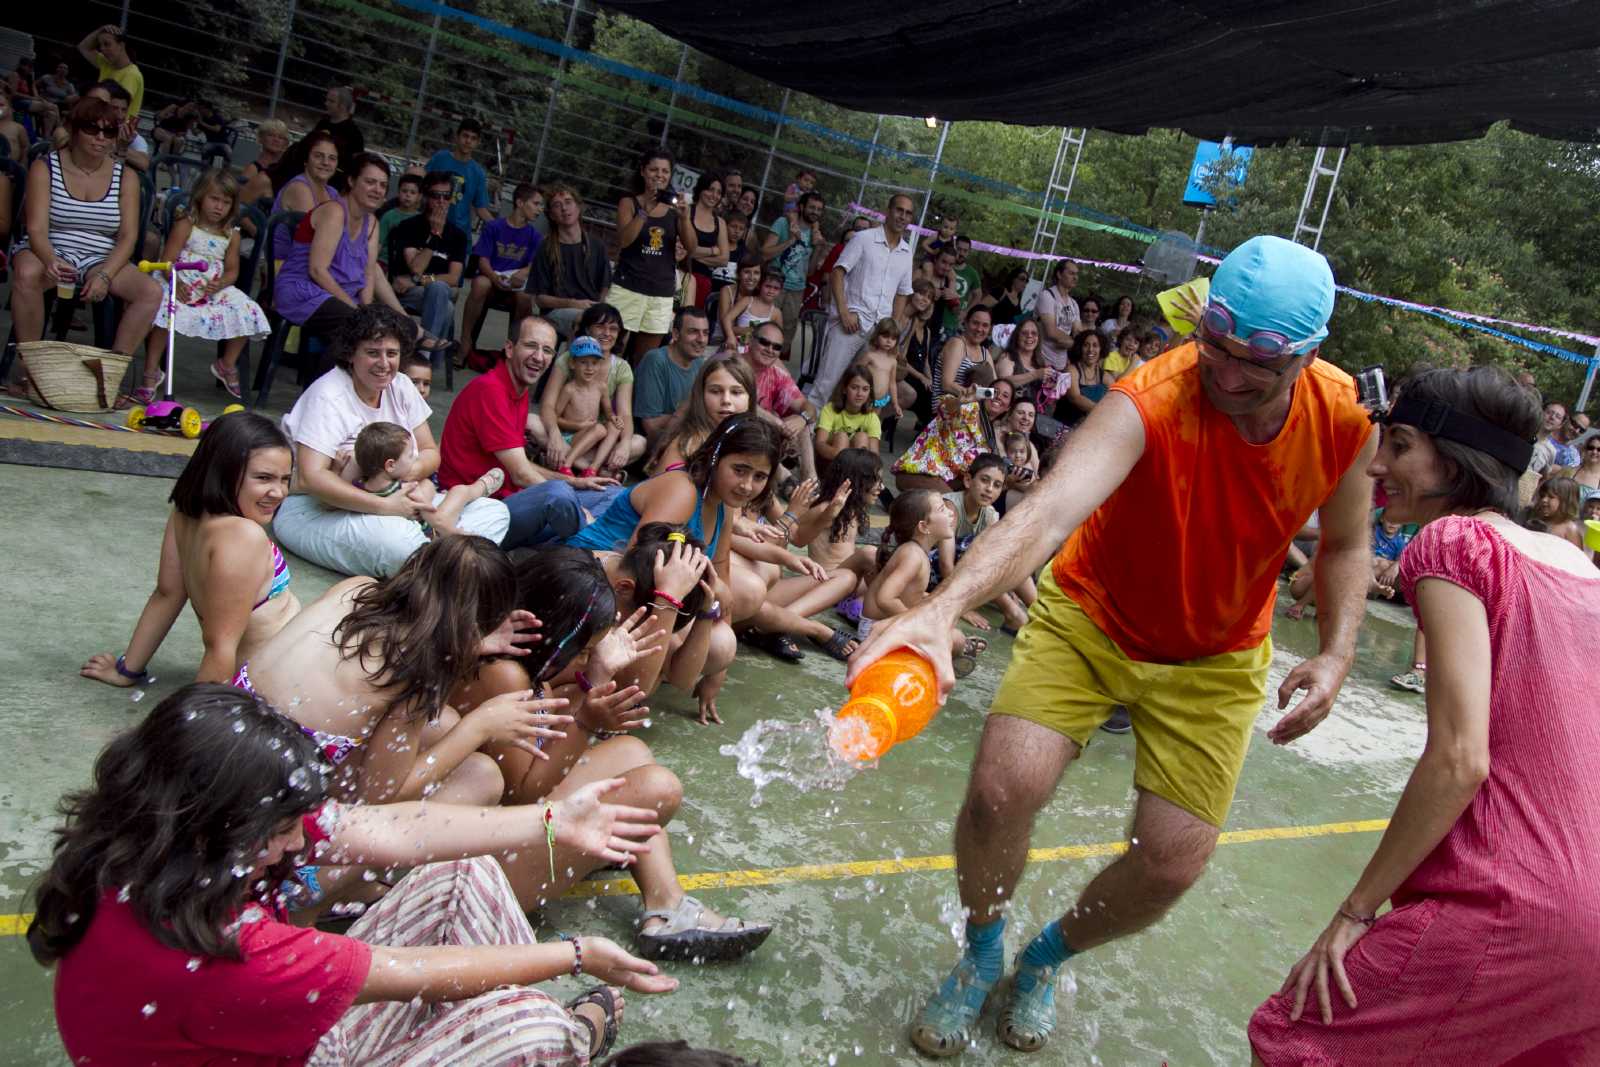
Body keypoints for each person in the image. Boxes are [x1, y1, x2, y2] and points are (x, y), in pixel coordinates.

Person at [851, 235, 1377, 1057]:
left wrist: (1338, 651)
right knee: (1000, 790)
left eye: (1256, 367)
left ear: (1306, 360)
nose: (1227, 376)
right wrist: (943, 606)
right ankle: (983, 947)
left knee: (1170, 863)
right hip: (1092, 617)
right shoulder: (1154, 395)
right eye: (1217, 349)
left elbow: (1345, 544)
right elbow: (1051, 508)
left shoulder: (1344, 421)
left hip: (1217, 653)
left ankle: (1044, 956)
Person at [31, 683, 679, 1066]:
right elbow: (412, 972)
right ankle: (570, 1036)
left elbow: (392, 831)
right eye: (283, 829)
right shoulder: (240, 954)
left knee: (466, 876)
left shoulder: (153, 840)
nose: (297, 839)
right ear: (220, 825)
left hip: (232, 1036)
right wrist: (572, 952)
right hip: (260, 1031)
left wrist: (552, 819)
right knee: (530, 1029)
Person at [1248, 365, 1600, 1064]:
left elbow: (1459, 758)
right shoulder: (1578, 567)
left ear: (1457, 459)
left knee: (1291, 1037)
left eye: (1401, 445)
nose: (1377, 464)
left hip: (1515, 900)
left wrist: (1355, 910)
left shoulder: (1456, 545)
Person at [451, 547, 774, 958]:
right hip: (478, 871)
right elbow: (523, 793)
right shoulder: (505, 674)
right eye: (584, 649)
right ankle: (667, 907)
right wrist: (586, 718)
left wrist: (594, 676)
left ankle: (666, 906)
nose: (585, 659)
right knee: (657, 788)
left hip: (493, 825)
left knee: (631, 753)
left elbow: (547, 734)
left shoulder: (516, 661)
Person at [570, 418, 781, 724]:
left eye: (759, 476)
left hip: (653, 593)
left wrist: (714, 677)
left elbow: (723, 588)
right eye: (740, 469)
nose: (748, 485)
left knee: (721, 644)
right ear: (715, 457)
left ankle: (643, 673)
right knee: (644, 679)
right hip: (598, 578)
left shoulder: (724, 505)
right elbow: (634, 571)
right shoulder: (683, 491)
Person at [274, 306, 509, 576]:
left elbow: (431, 452)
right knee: (403, 543)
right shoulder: (328, 395)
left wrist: (408, 473)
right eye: (373, 353)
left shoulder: (402, 386)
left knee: (494, 512)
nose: (384, 363)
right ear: (351, 353)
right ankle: (448, 564)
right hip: (316, 509)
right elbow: (310, 479)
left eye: (392, 353)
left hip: (398, 497)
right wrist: (386, 506)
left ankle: (439, 562)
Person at [80, 412, 297, 689]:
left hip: (277, 669)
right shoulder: (243, 536)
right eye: (264, 478)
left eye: (284, 479)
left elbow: (167, 594)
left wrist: (127, 670)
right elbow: (219, 646)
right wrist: (194, 724)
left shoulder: (185, 515)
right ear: (223, 472)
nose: (278, 492)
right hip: (282, 682)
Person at [8, 97, 162, 396]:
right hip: (51, 246)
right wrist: (50, 259)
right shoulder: (46, 167)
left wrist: (105, 274)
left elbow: (128, 237)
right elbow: (36, 227)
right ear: (75, 130)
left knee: (150, 292)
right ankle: (30, 372)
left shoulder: (126, 175)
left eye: (109, 132)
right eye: (92, 129)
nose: (101, 138)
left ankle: (110, 379)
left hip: (101, 253)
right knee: (27, 274)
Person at [437, 314, 620, 549]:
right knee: (558, 495)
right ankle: (599, 547)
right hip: (479, 509)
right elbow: (521, 474)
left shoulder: (519, 391)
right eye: (531, 346)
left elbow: (519, 464)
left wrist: (575, 482)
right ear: (510, 348)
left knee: (612, 493)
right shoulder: (490, 389)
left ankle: (572, 538)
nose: (538, 357)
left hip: (510, 497)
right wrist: (575, 500)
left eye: (547, 350)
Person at [139, 169, 270, 401]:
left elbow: (232, 271)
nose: (219, 207)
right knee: (164, 311)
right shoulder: (187, 224)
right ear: (201, 197)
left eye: (226, 202)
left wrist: (220, 284)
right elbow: (166, 261)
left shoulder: (232, 234)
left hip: (211, 289)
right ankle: (151, 369)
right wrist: (175, 281)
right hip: (179, 282)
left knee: (248, 310)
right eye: (214, 199)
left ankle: (226, 363)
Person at [273, 151, 411, 353]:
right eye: (370, 182)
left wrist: (366, 308)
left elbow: (368, 272)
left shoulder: (371, 222)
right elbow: (317, 271)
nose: (377, 190)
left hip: (337, 295)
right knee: (360, 328)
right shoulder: (335, 211)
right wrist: (358, 312)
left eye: (383, 185)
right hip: (302, 291)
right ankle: (328, 384)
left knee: (394, 329)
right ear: (352, 181)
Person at [806, 193, 915, 407]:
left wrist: (893, 331)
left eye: (908, 213)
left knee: (863, 394)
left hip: (878, 334)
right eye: (899, 210)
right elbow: (838, 272)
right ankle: (803, 432)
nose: (902, 216)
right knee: (826, 384)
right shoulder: (864, 239)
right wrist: (844, 312)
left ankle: (840, 436)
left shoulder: (906, 252)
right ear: (888, 210)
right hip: (851, 324)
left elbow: (902, 294)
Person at [859, 491, 984, 672]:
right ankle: (955, 652)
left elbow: (909, 594)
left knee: (943, 614)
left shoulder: (917, 552)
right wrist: (918, 623)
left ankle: (946, 648)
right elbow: (885, 598)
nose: (951, 513)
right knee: (956, 638)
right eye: (942, 509)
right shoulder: (912, 555)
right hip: (876, 634)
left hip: (889, 626)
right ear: (924, 526)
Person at [535, 305, 646, 475]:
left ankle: (563, 461)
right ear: (587, 329)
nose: (607, 333)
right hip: (567, 434)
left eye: (613, 329)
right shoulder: (568, 360)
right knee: (532, 422)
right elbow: (547, 406)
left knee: (638, 443)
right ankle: (597, 470)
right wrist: (555, 435)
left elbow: (624, 414)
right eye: (600, 326)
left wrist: (624, 444)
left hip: (599, 439)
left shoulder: (622, 367)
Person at [932, 452, 1034, 632]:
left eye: (996, 485)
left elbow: (1001, 555)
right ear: (968, 481)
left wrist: (1008, 583)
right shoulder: (951, 508)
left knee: (1012, 553)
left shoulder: (989, 514)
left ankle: (1038, 611)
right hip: (934, 572)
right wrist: (961, 607)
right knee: (980, 553)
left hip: (964, 573)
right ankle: (1012, 613)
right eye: (984, 480)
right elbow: (945, 564)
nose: (989, 489)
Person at [612, 150, 698, 362]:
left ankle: (632, 395)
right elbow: (624, 240)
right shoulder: (629, 202)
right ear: (642, 171)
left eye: (665, 171)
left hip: (660, 292)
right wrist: (645, 210)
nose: (659, 175)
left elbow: (692, 247)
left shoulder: (674, 208)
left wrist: (685, 219)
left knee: (644, 359)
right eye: (653, 169)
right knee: (612, 350)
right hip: (627, 286)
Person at [349, 421, 504, 537]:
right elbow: (436, 521)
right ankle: (482, 486)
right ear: (390, 465)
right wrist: (458, 534)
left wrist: (337, 468)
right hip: (432, 535)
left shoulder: (359, 486)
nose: (415, 457)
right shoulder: (406, 490)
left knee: (432, 485)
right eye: (410, 455)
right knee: (459, 491)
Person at [389, 170, 468, 359]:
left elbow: (454, 278)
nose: (442, 201)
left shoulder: (458, 235)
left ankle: (421, 358)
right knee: (446, 307)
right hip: (406, 294)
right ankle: (426, 361)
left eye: (446, 196)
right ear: (425, 197)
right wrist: (434, 235)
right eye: (436, 196)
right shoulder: (409, 226)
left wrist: (419, 281)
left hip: (420, 287)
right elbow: (416, 266)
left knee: (439, 289)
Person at [518, 182, 611, 339]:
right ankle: (572, 362)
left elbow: (605, 286)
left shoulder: (596, 245)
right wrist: (573, 303)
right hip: (557, 312)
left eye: (568, 202)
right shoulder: (546, 248)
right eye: (557, 205)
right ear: (552, 215)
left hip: (592, 310)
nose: (564, 208)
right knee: (586, 321)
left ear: (578, 207)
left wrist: (599, 308)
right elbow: (540, 300)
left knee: (616, 323)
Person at [463, 181, 543, 362]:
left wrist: (522, 273)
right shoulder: (494, 227)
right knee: (480, 283)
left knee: (525, 297)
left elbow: (532, 266)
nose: (540, 209)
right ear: (520, 203)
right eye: (536, 204)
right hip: (491, 282)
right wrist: (494, 277)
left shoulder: (535, 236)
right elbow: (482, 260)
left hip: (514, 288)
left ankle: (513, 353)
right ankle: (466, 341)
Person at [893, 379, 1014, 494]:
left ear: (1008, 407)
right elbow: (946, 407)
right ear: (986, 392)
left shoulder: (990, 437)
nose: (998, 397)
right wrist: (959, 401)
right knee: (952, 507)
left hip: (947, 484)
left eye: (1005, 395)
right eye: (995, 391)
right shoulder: (967, 407)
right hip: (918, 473)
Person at [649, 354, 755, 475]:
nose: (726, 400)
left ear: (750, 398)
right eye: (715, 391)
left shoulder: (753, 440)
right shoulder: (688, 444)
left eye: (736, 392)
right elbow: (661, 490)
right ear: (701, 396)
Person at [742, 320, 819, 481]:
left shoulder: (776, 374)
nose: (770, 350)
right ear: (750, 340)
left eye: (777, 347)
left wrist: (802, 418)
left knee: (802, 424)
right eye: (764, 342)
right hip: (737, 433)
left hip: (766, 435)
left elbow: (809, 407)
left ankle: (810, 482)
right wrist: (777, 423)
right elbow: (741, 405)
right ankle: (787, 482)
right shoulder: (734, 366)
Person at [634, 306, 710, 448]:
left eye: (705, 333)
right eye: (693, 332)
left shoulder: (700, 363)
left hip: (684, 436)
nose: (701, 339)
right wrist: (692, 412)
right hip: (649, 444)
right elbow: (650, 426)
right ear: (675, 334)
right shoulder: (656, 360)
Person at [763, 190, 826, 355]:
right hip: (775, 283)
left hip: (797, 289)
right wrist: (791, 240)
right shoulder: (783, 223)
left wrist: (819, 248)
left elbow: (810, 271)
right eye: (812, 207)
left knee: (786, 334)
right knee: (763, 325)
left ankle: (776, 374)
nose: (815, 212)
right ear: (801, 206)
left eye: (819, 209)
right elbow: (765, 252)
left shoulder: (815, 234)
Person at [268, 129, 342, 256]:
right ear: (306, 160)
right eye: (318, 156)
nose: (325, 162)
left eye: (332, 158)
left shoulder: (333, 193)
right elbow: (315, 237)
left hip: (315, 260)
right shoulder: (299, 188)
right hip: (284, 263)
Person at [425, 117, 495, 238]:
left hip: (459, 234)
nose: (468, 141)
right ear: (457, 137)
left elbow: (481, 209)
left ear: (478, 143)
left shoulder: (478, 173)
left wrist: (501, 229)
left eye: (473, 138)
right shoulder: (440, 158)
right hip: (431, 226)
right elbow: (421, 185)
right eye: (465, 136)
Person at [855, 316, 915, 426]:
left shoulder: (892, 361)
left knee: (873, 423)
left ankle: (867, 441)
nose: (889, 341)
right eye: (885, 336)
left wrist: (896, 403)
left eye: (893, 339)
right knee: (859, 422)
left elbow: (892, 384)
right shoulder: (870, 356)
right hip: (866, 398)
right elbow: (855, 373)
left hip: (881, 401)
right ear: (877, 336)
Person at [684, 171, 731, 310]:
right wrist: (711, 251)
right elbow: (680, 248)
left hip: (703, 282)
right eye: (711, 189)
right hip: (679, 275)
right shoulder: (685, 212)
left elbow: (723, 259)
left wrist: (691, 254)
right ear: (701, 189)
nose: (714, 195)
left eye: (718, 192)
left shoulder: (720, 223)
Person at [815, 364, 881, 461]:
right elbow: (819, 444)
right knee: (841, 437)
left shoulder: (872, 417)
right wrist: (840, 456)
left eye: (865, 389)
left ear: (869, 392)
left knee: (862, 437)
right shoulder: (830, 409)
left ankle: (854, 474)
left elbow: (874, 455)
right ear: (844, 389)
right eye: (854, 388)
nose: (860, 394)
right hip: (830, 463)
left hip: (856, 468)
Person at [75, 24, 142, 117]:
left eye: (107, 44)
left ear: (121, 45)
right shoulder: (106, 64)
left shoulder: (131, 74)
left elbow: (118, 106)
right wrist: (101, 29)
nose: (102, 49)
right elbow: (83, 47)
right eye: (100, 45)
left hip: (116, 127)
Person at [936, 305, 997, 404]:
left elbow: (995, 387)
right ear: (966, 322)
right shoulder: (957, 343)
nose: (979, 329)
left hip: (972, 408)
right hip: (947, 408)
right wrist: (979, 394)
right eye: (975, 323)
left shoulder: (985, 353)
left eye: (985, 325)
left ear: (990, 329)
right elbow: (947, 384)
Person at [716, 258, 782, 351]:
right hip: (721, 340)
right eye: (747, 272)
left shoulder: (762, 296)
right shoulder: (727, 291)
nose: (751, 277)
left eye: (756, 273)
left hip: (751, 346)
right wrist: (754, 331)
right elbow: (725, 329)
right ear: (738, 274)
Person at [1033, 258, 1082, 369]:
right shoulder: (1047, 296)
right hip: (1041, 360)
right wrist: (1073, 343)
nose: (1075, 277)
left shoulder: (1073, 304)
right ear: (1059, 274)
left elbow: (1078, 332)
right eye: (1071, 273)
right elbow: (1051, 332)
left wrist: (1073, 341)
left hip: (1062, 362)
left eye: (1076, 274)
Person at [993, 317, 1053, 407]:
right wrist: (1035, 375)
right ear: (1017, 337)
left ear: (1038, 338)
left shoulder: (1040, 361)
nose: (1029, 336)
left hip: (1034, 412)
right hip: (1012, 411)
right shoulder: (1007, 357)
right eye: (1024, 333)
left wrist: (1052, 387)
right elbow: (1003, 382)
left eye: (1034, 333)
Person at [1059, 329, 1109, 425]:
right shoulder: (1071, 370)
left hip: (1092, 425)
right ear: (1080, 348)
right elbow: (1075, 398)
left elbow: (1116, 398)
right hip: (1066, 426)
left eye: (1095, 345)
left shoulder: (1105, 376)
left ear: (1101, 349)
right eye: (1086, 345)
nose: (1091, 349)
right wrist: (1103, 413)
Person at [239, 118, 290, 208]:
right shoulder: (253, 169)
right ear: (261, 138)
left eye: (281, 137)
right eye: (271, 135)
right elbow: (240, 204)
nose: (276, 140)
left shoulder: (286, 169)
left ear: (285, 143)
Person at [374, 172, 421, 270]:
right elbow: (378, 243)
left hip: (409, 265)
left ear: (419, 196)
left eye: (412, 192)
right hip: (385, 261)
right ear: (398, 192)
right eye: (404, 191)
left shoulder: (421, 219)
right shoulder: (388, 216)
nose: (408, 195)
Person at [1529, 473, 1585, 547]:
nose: (1544, 500)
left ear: (1566, 501)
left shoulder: (1570, 530)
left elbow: (1576, 556)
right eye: (1542, 496)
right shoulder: (1536, 518)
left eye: (1551, 497)